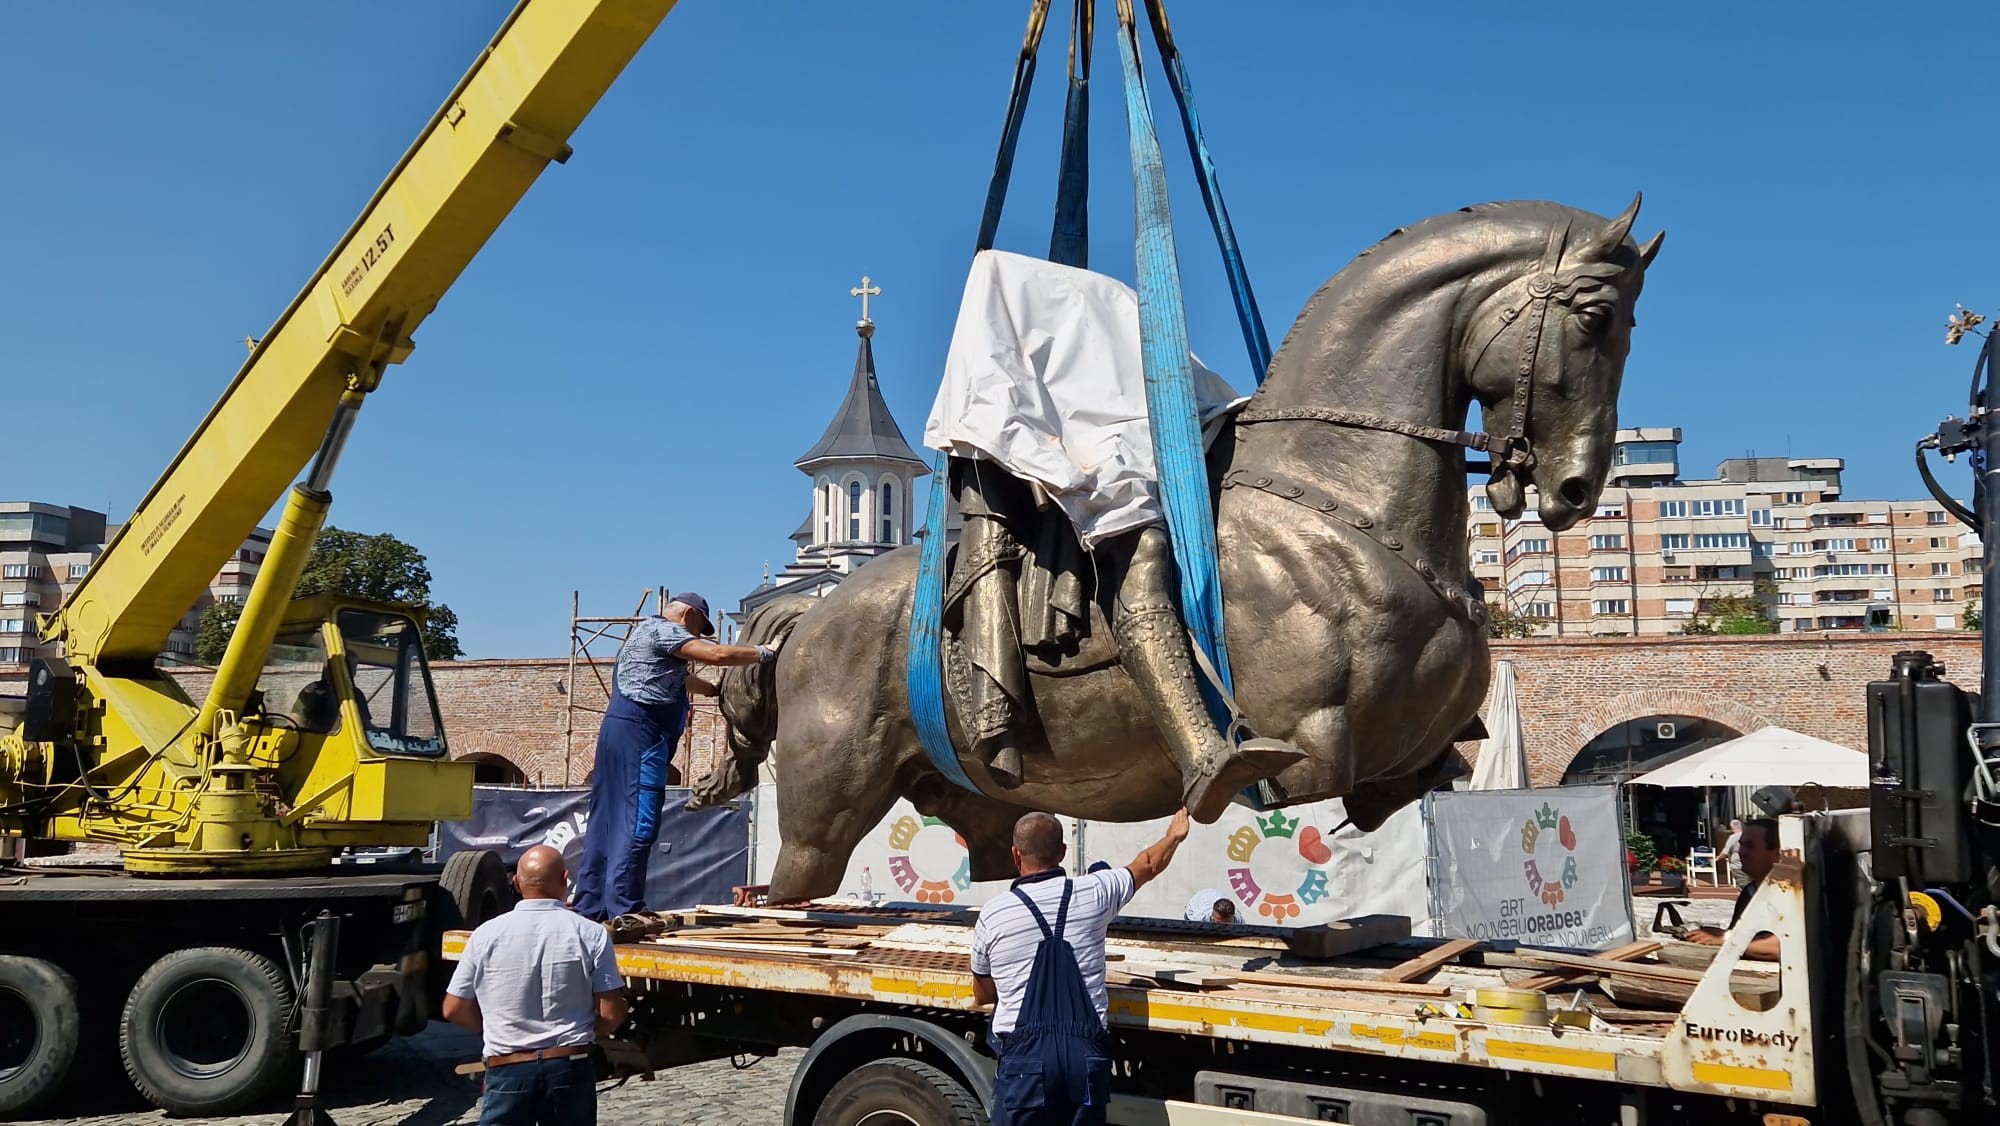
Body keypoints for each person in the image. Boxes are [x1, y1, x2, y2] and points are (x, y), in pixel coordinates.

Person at [972, 808, 1191, 1125]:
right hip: (1084, 1058)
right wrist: (1174, 835)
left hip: (1025, 1063)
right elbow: (1147, 864)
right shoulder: (1096, 892)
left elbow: (982, 992)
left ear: (1015, 854)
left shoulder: (994, 914)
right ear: (1062, 852)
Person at [571, 593, 775, 921]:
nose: (698, 635)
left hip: (619, 733)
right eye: (699, 627)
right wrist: (766, 652)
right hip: (642, 735)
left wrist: (711, 690)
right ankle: (625, 908)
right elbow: (718, 654)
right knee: (639, 821)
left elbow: (678, 678)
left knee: (606, 822)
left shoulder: (643, 635)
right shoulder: (665, 631)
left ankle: (591, 906)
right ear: (688, 615)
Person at [444, 846, 628, 1125]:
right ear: (565, 879)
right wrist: (588, 1031)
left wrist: (494, 1027)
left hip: (508, 1065)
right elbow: (612, 1014)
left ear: (516, 883)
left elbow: (453, 1008)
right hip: (569, 1062)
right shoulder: (591, 934)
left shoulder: (485, 935)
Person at [1686, 818, 1780, 961]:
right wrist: (1721, 935)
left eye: (1750, 846)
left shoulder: (1790, 894)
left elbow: (1781, 947)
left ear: (1777, 854)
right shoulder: (1750, 891)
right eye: (1741, 845)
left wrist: (1726, 938)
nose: (1741, 852)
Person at [1720, 818, 1746, 887]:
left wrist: (1717, 859)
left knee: (1743, 886)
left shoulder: (1733, 837)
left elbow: (1725, 852)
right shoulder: (1748, 835)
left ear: (1732, 828)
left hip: (1737, 865)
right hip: (1750, 865)